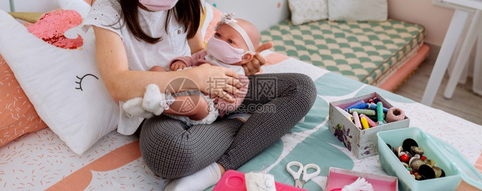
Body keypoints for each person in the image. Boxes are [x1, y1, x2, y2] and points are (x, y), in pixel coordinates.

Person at [83, 0, 317, 190]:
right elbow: (117, 84)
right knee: (169, 156)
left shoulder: (185, 3)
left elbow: (199, 51)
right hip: (162, 104)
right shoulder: (108, 10)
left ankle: (219, 167)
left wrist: (238, 64)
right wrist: (193, 78)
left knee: (301, 89)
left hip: (214, 86)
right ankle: (242, 122)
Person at [121, 14, 258, 126]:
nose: (220, 41)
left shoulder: (240, 78)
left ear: (245, 57)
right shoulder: (205, 54)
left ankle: (157, 105)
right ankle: (152, 99)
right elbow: (190, 59)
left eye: (230, 41)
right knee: (157, 69)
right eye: (218, 35)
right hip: (180, 84)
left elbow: (234, 101)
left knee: (198, 104)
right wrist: (180, 62)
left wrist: (219, 101)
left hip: (203, 104)